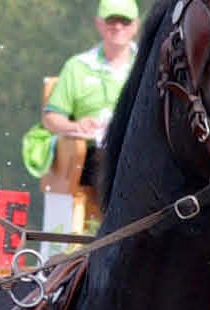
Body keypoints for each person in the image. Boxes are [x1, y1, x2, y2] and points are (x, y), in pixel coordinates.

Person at [22, 0, 139, 228]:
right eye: (111, 20)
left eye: (124, 21)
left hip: (138, 149)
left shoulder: (147, 65)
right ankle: (113, 230)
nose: (118, 27)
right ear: (99, 24)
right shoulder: (77, 66)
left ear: (135, 25)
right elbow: (51, 118)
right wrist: (76, 127)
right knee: (112, 161)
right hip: (94, 154)